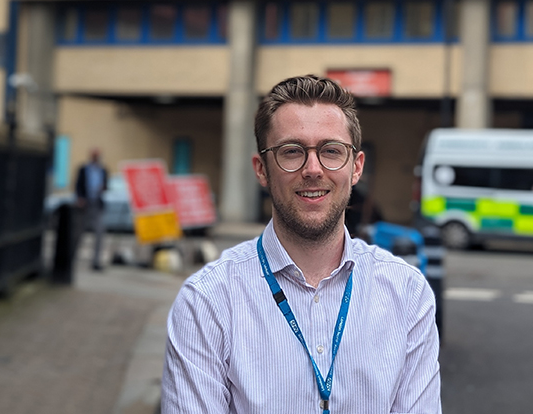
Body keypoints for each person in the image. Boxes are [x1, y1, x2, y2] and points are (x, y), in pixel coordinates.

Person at [162, 75, 441, 414]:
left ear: (356, 168)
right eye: (292, 152)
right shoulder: (206, 303)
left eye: (331, 151)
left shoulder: (407, 295)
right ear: (262, 169)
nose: (313, 169)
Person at [75, 148, 108, 271]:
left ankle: (96, 261)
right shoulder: (84, 169)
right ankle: (72, 259)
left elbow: (106, 185)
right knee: (79, 232)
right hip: (85, 204)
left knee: (99, 233)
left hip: (97, 204)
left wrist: (103, 188)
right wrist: (80, 198)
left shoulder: (103, 170)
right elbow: (78, 185)